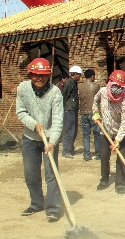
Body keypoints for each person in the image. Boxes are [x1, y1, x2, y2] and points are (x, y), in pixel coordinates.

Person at [16, 58, 64, 221]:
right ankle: (36, 203)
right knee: (30, 173)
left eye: (43, 75)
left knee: (52, 174)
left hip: (49, 138)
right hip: (30, 137)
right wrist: (34, 124)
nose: (39, 78)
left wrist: (52, 142)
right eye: (36, 75)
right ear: (30, 74)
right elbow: (21, 112)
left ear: (48, 76)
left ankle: (53, 208)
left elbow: (58, 120)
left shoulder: (55, 92)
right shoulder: (23, 88)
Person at [92, 70, 125, 194]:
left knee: (121, 157)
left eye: (120, 87)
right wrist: (96, 112)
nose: (116, 89)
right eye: (114, 85)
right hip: (106, 130)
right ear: (109, 82)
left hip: (123, 132)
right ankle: (104, 180)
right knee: (104, 156)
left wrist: (118, 140)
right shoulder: (103, 92)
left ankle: (120, 184)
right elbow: (95, 101)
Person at [79, 69, 101, 161]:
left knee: (86, 135)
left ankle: (87, 155)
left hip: (84, 112)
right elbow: (99, 99)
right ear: (92, 76)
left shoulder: (80, 86)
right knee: (97, 134)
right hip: (94, 113)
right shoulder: (96, 86)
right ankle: (98, 154)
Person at [61, 65, 82, 158]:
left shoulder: (73, 82)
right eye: (79, 75)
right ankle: (66, 150)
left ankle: (70, 148)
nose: (80, 77)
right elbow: (64, 96)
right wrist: (63, 108)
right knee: (69, 130)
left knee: (73, 130)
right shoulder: (69, 83)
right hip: (69, 110)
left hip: (72, 109)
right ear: (75, 74)